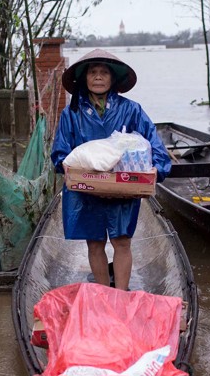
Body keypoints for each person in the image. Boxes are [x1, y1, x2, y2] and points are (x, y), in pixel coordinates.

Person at [50, 49, 171, 291]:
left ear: (112, 79)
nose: (97, 77)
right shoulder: (71, 113)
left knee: (122, 240)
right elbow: (60, 152)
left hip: (123, 187)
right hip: (85, 190)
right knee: (94, 243)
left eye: (103, 72)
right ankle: (104, 294)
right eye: (92, 72)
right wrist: (64, 163)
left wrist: (157, 169)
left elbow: (154, 144)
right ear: (84, 78)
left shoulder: (132, 109)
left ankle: (121, 294)